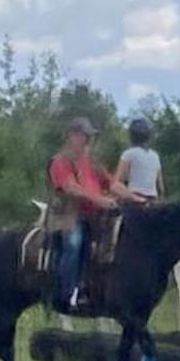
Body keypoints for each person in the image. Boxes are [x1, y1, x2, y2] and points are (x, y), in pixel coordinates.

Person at [46, 117, 134, 312]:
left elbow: (112, 184)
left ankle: (100, 291)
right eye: (84, 136)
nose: (88, 141)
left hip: (95, 217)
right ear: (72, 136)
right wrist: (99, 200)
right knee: (74, 244)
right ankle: (65, 293)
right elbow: (70, 187)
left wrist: (134, 198)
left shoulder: (92, 163)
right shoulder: (60, 162)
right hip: (68, 216)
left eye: (89, 137)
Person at [115, 117, 163, 202]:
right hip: (152, 202)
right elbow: (160, 188)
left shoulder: (128, 154)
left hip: (134, 201)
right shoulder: (155, 156)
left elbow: (116, 184)